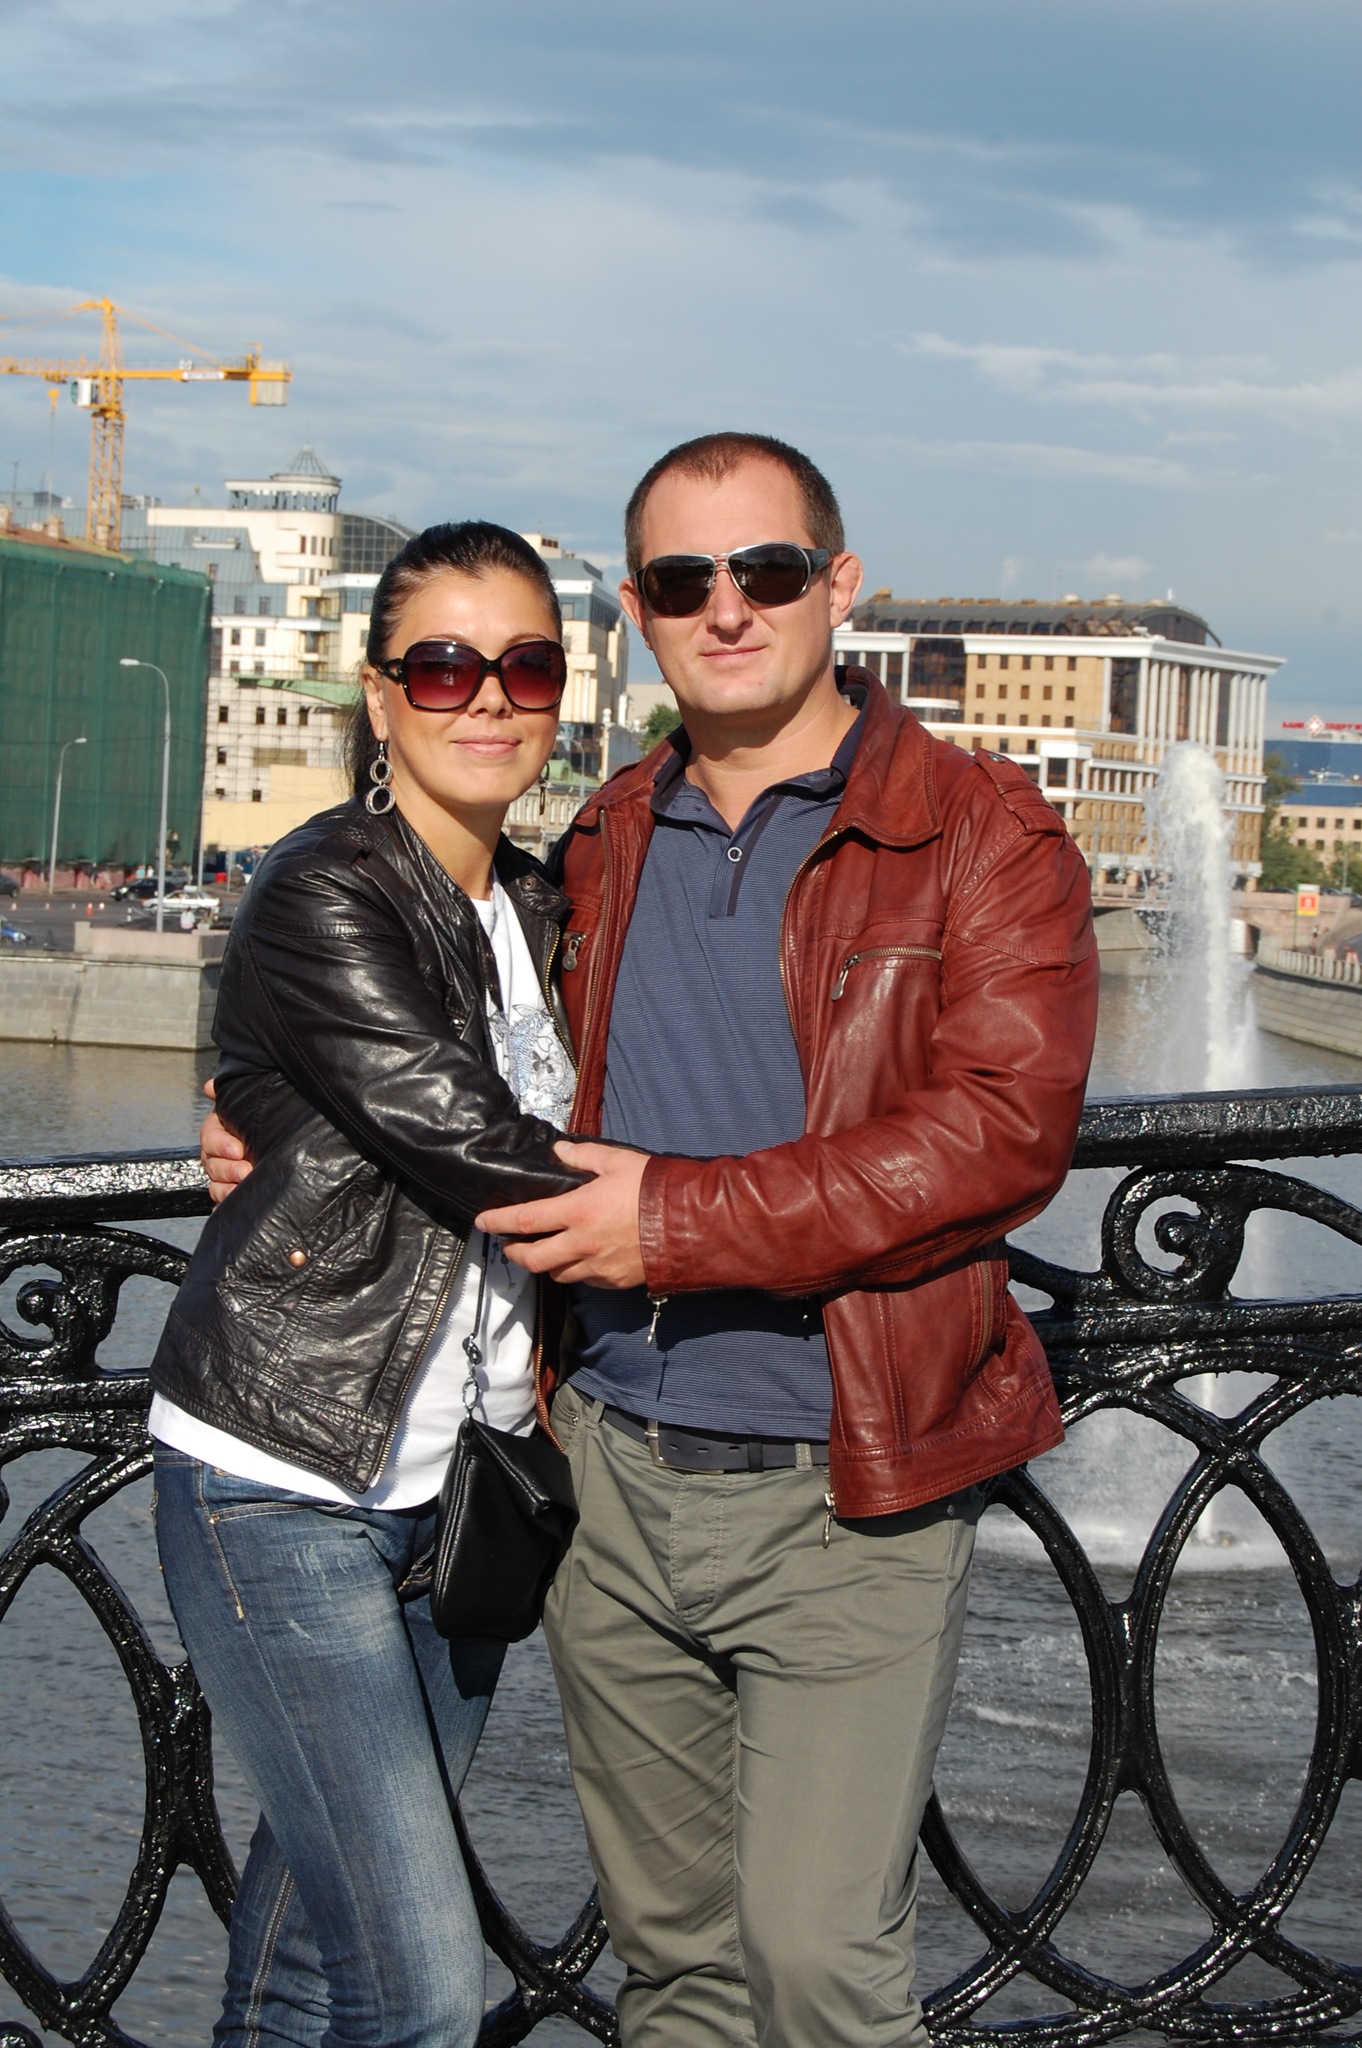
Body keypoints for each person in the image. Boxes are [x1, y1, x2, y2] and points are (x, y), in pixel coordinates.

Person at [207, 434, 1099, 2048]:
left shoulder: (979, 833)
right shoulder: (605, 838)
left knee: (820, 1970)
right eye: (684, 582)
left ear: (838, 585)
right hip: (603, 1477)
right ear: (638, 610)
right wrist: (268, 1114)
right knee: (673, 1968)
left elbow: (998, 1138)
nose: (727, 609)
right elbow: (442, 1045)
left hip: (847, 1481)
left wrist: (673, 1223)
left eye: (766, 571)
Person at [151, 520, 589, 2048]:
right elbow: (470, 1145)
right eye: (446, 666)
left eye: (526, 664)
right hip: (283, 1473)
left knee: (302, 1958)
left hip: (464, 1494)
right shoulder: (323, 890)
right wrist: (714, 1213)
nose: (490, 698)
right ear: (382, 693)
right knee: (420, 1993)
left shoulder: (541, 905)